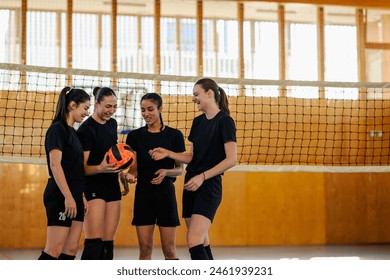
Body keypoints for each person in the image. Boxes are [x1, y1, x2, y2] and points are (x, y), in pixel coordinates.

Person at [150, 78, 237, 260]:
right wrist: (167, 153)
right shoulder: (198, 122)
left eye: (196, 94)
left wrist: (202, 177)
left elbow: (231, 159)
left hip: (208, 185)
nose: (193, 98)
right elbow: (191, 157)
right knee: (201, 239)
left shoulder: (225, 121)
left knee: (193, 240)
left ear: (209, 94)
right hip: (191, 184)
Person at [122, 92, 185, 260]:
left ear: (160, 109)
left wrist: (166, 172)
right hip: (143, 195)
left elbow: (180, 169)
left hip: (166, 195)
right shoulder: (134, 136)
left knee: (169, 250)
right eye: (142, 110)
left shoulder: (175, 135)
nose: (146, 114)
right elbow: (133, 169)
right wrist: (129, 175)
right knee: (145, 249)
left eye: (150, 109)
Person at [38, 87, 90, 260]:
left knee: (70, 250)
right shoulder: (57, 129)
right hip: (61, 194)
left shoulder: (73, 133)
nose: (86, 113)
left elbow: (75, 168)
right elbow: (55, 164)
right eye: (85, 108)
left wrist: (80, 195)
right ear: (72, 105)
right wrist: (68, 196)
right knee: (54, 250)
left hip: (75, 195)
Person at [77, 86, 127, 260]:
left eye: (114, 107)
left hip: (111, 184)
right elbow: (81, 168)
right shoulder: (86, 130)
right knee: (94, 243)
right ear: (96, 104)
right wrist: (100, 168)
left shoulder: (112, 124)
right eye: (107, 106)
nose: (111, 111)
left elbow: (113, 155)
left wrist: (120, 173)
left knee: (108, 245)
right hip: (93, 185)